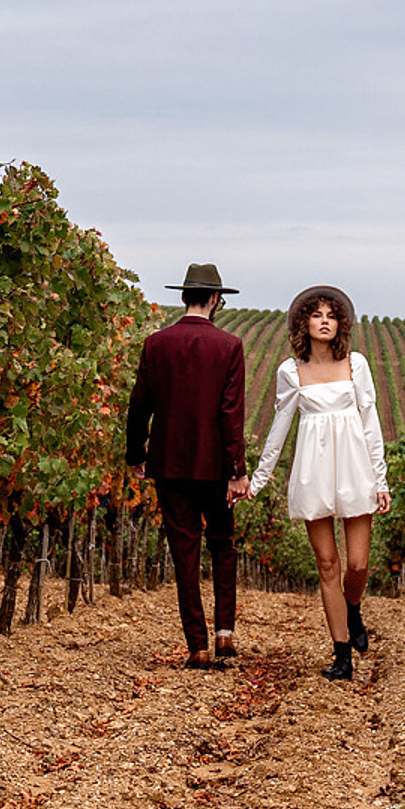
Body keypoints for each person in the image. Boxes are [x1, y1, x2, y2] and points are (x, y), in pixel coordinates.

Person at [246, 285, 391, 681]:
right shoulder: (290, 371)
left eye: (331, 315)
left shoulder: (356, 365)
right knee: (328, 565)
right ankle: (342, 656)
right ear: (304, 323)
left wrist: (381, 479)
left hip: (354, 468)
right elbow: (279, 428)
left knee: (357, 565)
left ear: (341, 324)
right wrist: (259, 479)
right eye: (316, 315)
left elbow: (371, 422)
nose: (324, 322)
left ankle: (353, 608)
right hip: (314, 471)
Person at [125, 263, 249, 670]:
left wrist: (136, 455)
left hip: (169, 464)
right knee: (223, 544)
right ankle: (224, 633)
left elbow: (139, 406)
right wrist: (237, 469)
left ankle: (197, 646)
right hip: (215, 466)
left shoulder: (155, 344)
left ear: (183, 297)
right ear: (215, 299)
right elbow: (231, 414)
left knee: (185, 553)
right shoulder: (230, 346)